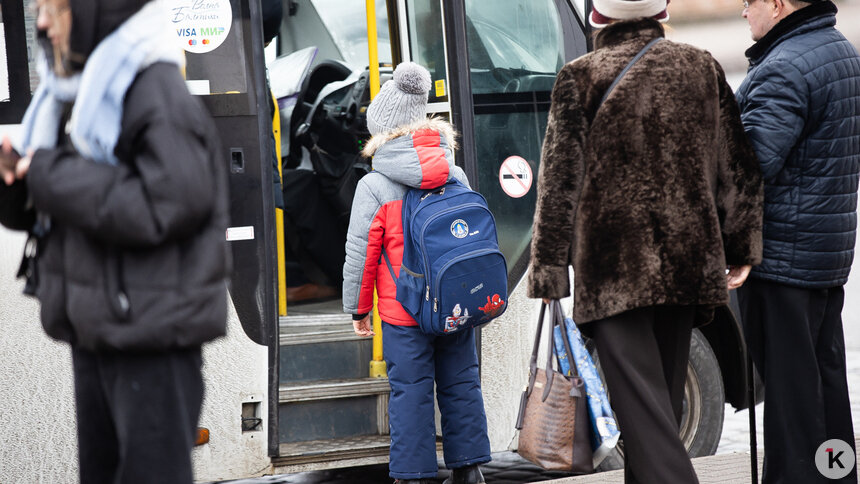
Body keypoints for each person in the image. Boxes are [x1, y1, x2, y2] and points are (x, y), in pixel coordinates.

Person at [527, 0, 765, 482]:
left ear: (598, 18)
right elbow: (737, 168)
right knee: (658, 406)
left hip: (613, 273)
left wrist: (550, 270)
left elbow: (558, 187)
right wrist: (740, 246)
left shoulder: (579, 77)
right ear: (661, 12)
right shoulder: (701, 66)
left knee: (644, 415)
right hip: (686, 266)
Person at [0, 1, 229, 483]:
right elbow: (64, 204)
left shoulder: (152, 89)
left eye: (52, 8)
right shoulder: (76, 92)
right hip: (101, 328)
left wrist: (46, 173)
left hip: (149, 336)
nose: (40, 23)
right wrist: (17, 182)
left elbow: (169, 204)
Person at [343, 62, 490, 484]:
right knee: (462, 382)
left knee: (410, 391)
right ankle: (469, 469)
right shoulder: (454, 171)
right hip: (454, 304)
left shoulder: (374, 185)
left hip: (403, 312)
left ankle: (413, 475)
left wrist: (357, 309)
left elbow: (361, 255)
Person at [734, 0, 860, 482]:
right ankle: (837, 475)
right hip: (825, 258)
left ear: (778, 5)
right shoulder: (838, 49)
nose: (745, 13)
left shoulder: (784, 67)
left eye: (749, 2)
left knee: (792, 402)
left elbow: (748, 167)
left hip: (784, 260)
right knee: (827, 390)